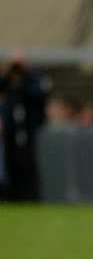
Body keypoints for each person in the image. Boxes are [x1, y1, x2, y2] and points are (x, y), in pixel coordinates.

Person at [0, 55, 50, 201]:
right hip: (11, 130)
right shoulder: (8, 83)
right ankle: (12, 195)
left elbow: (39, 93)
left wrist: (25, 77)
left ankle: (30, 195)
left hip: (28, 129)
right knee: (10, 162)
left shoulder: (31, 82)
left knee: (28, 162)